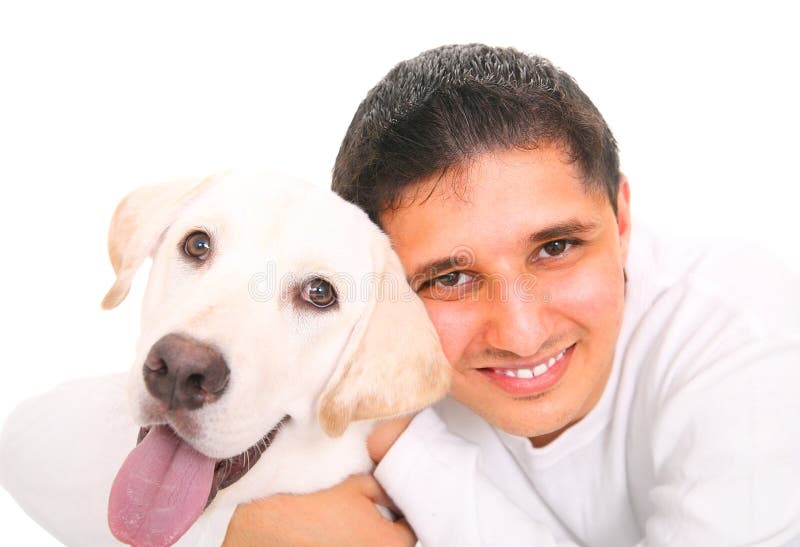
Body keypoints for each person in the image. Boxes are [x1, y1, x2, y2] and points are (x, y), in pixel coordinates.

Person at [222, 44, 800, 546]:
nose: (522, 334)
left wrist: (404, 446)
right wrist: (223, 533)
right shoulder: (340, 339)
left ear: (621, 222)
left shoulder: (746, 332)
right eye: (449, 279)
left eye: (556, 248)